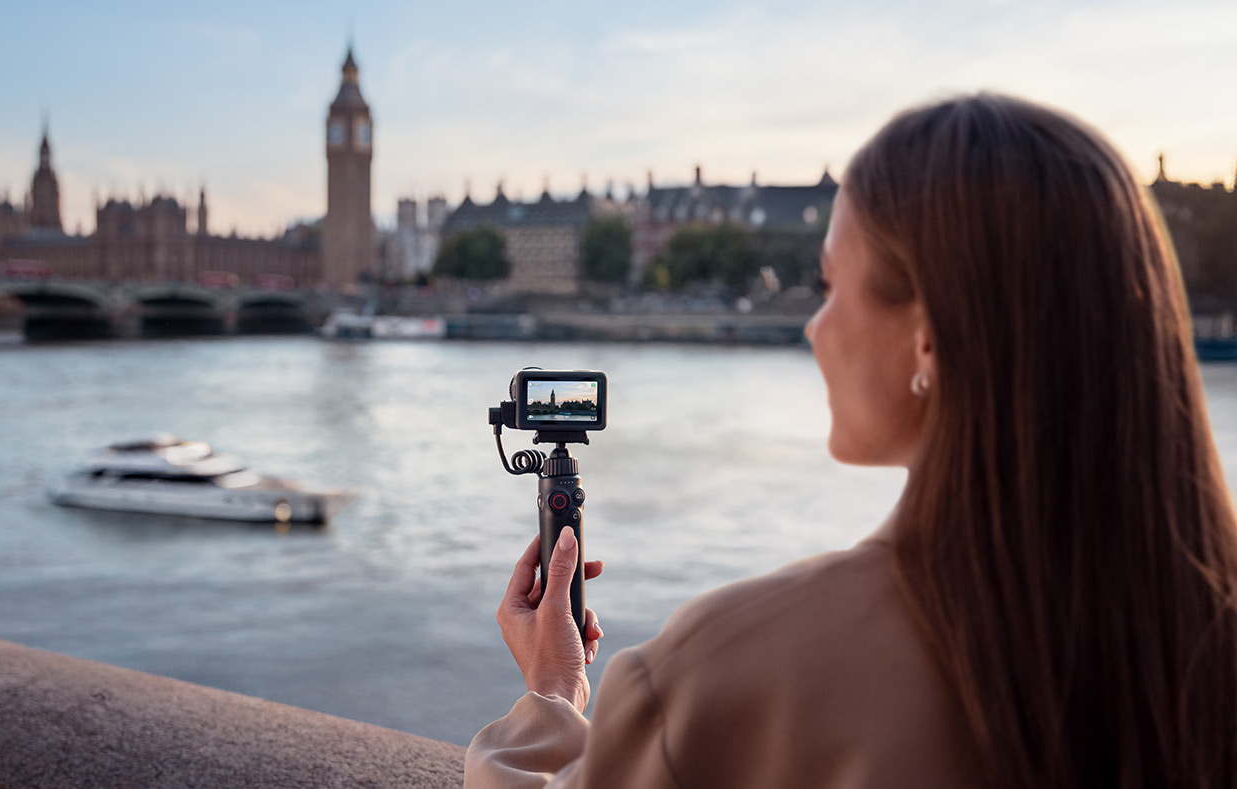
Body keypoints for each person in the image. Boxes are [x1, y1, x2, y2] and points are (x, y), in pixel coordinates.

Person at [465, 93, 1237, 788]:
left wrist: (551, 696)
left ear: (928, 337)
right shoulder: (1205, 643)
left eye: (832, 287)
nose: (811, 323)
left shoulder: (723, 677)